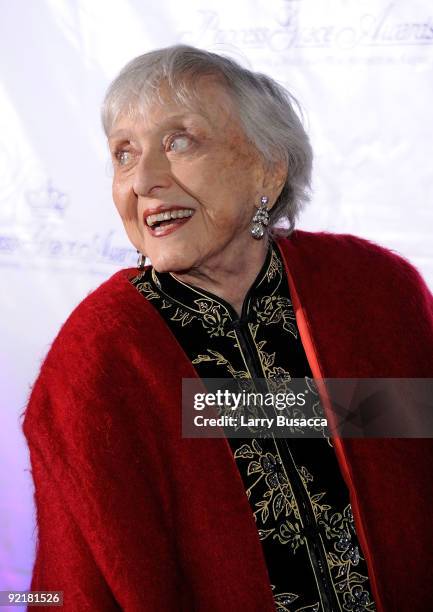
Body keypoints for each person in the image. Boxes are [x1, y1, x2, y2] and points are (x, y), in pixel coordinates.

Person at [22, 45, 433, 612]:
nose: (143, 180)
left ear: (268, 165)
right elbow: (75, 587)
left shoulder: (372, 289)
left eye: (179, 141)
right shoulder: (99, 356)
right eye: (123, 153)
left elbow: (408, 449)